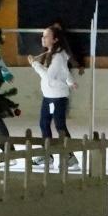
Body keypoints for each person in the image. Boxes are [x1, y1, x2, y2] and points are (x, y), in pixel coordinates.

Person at [27, 26, 78, 169]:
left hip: (57, 97)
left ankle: (70, 158)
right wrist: (70, 81)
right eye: (43, 36)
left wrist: (35, 64)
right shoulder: (52, 54)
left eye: (46, 36)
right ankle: (47, 156)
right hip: (49, 97)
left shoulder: (58, 56)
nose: (43, 38)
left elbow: (49, 76)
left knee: (59, 126)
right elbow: (65, 71)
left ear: (55, 39)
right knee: (44, 124)